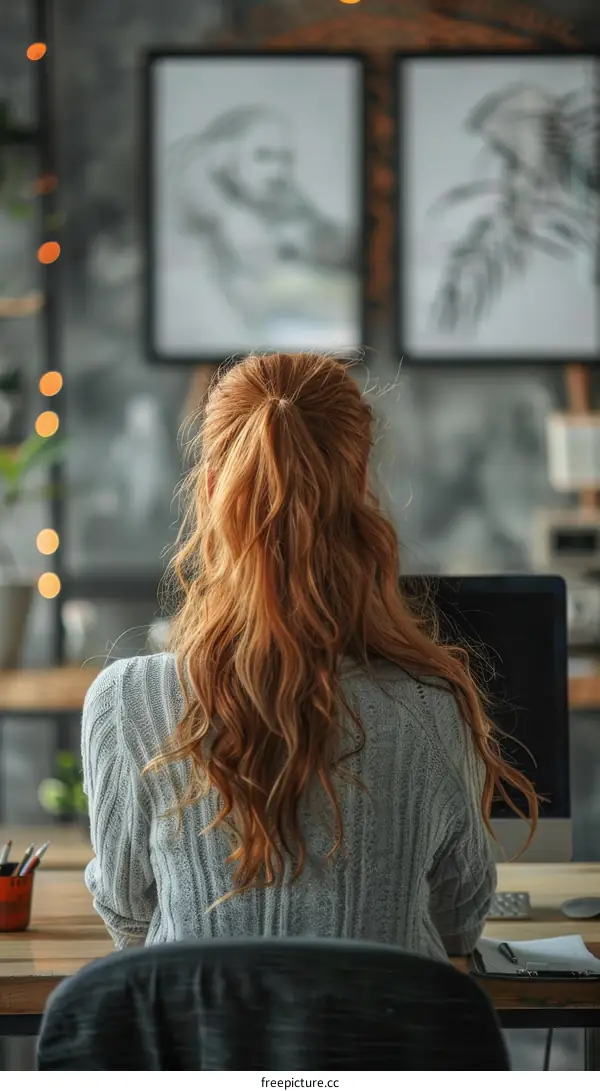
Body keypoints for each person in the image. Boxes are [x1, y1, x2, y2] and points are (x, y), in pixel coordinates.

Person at [82, 352, 537, 961]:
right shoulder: (434, 703)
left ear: (212, 488)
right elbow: (458, 925)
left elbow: (130, 924)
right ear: (358, 485)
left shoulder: (124, 705)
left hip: (206, 1051)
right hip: (385, 1047)